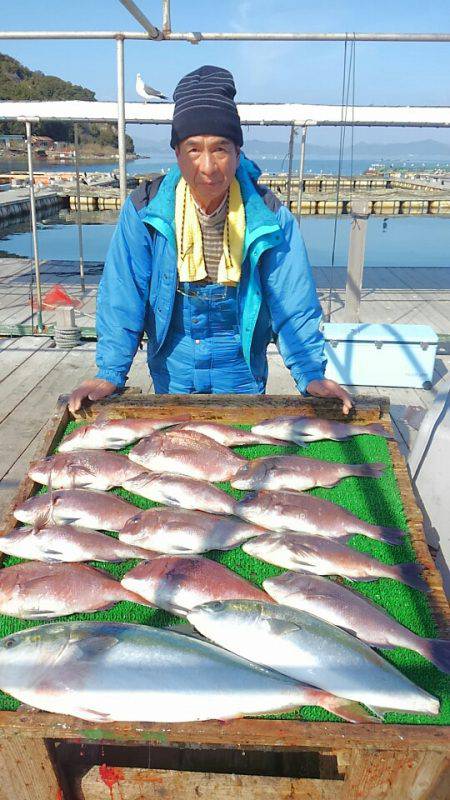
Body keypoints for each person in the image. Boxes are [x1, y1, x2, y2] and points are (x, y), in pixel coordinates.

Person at [69, 66, 352, 414]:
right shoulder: (144, 210)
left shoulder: (269, 216)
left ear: (237, 152)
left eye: (220, 149)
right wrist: (110, 372)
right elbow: (123, 295)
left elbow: (292, 303)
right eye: (193, 149)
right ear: (176, 153)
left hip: (241, 368)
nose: (208, 166)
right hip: (173, 364)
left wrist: (311, 374)